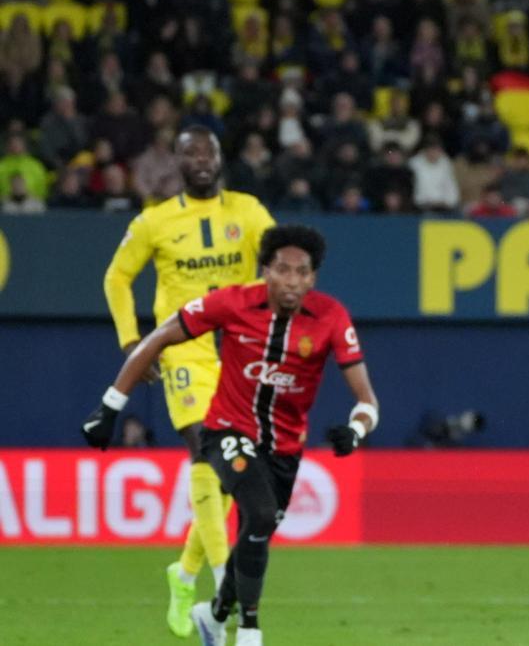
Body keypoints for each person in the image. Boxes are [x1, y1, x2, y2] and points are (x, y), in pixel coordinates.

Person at [84, 225, 380, 646]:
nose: (291, 280)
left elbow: (368, 400)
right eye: (282, 269)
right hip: (225, 430)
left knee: (255, 533)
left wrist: (355, 429)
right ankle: (250, 629)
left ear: (313, 278)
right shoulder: (232, 302)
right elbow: (160, 337)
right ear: (265, 271)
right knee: (258, 515)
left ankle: (214, 613)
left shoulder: (331, 317)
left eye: (302, 272)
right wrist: (110, 406)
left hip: (285, 449)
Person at [102, 126, 276, 637]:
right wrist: (133, 342)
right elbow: (116, 277)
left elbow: (279, 256)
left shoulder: (246, 211)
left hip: (241, 349)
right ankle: (226, 590)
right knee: (205, 447)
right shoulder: (154, 221)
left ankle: (185, 573)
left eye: (208, 151)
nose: (200, 160)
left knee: (233, 474)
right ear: (176, 164)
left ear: (221, 159)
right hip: (185, 347)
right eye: (189, 153)